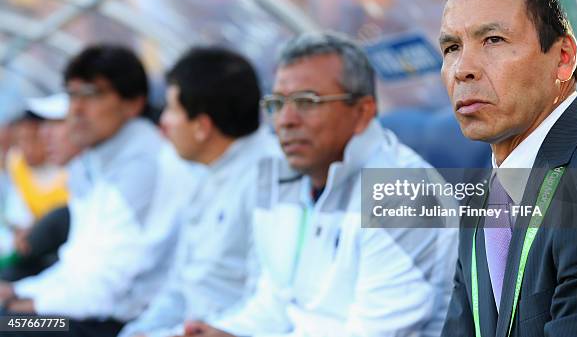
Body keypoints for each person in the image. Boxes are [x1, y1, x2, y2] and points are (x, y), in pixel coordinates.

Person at [184, 32, 457, 337]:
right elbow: (275, 304)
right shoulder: (284, 177)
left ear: (362, 112)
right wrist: (224, 332)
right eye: (277, 103)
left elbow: (376, 332)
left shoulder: (406, 194)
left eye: (305, 101)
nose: (285, 120)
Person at [439, 0, 577, 337]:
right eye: (452, 47)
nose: (462, 68)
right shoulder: (483, 190)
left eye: (493, 40)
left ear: (563, 57)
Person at [0, 45, 195, 337]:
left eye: (92, 94)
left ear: (133, 103)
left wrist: (27, 304)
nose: (76, 108)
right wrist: (18, 291)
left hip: (112, 323)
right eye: (72, 94)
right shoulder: (103, 159)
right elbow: (78, 264)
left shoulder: (143, 164)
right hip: (84, 311)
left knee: (7, 327)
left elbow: (103, 290)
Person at [119, 46, 281, 337]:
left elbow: (265, 303)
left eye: (171, 109)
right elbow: (180, 287)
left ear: (203, 126)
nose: (163, 122)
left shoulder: (268, 177)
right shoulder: (205, 173)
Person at [0, 93, 78, 281]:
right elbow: (19, 213)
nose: (26, 148)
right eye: (20, 140)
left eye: (33, 139)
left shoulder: (71, 170)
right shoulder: (16, 162)